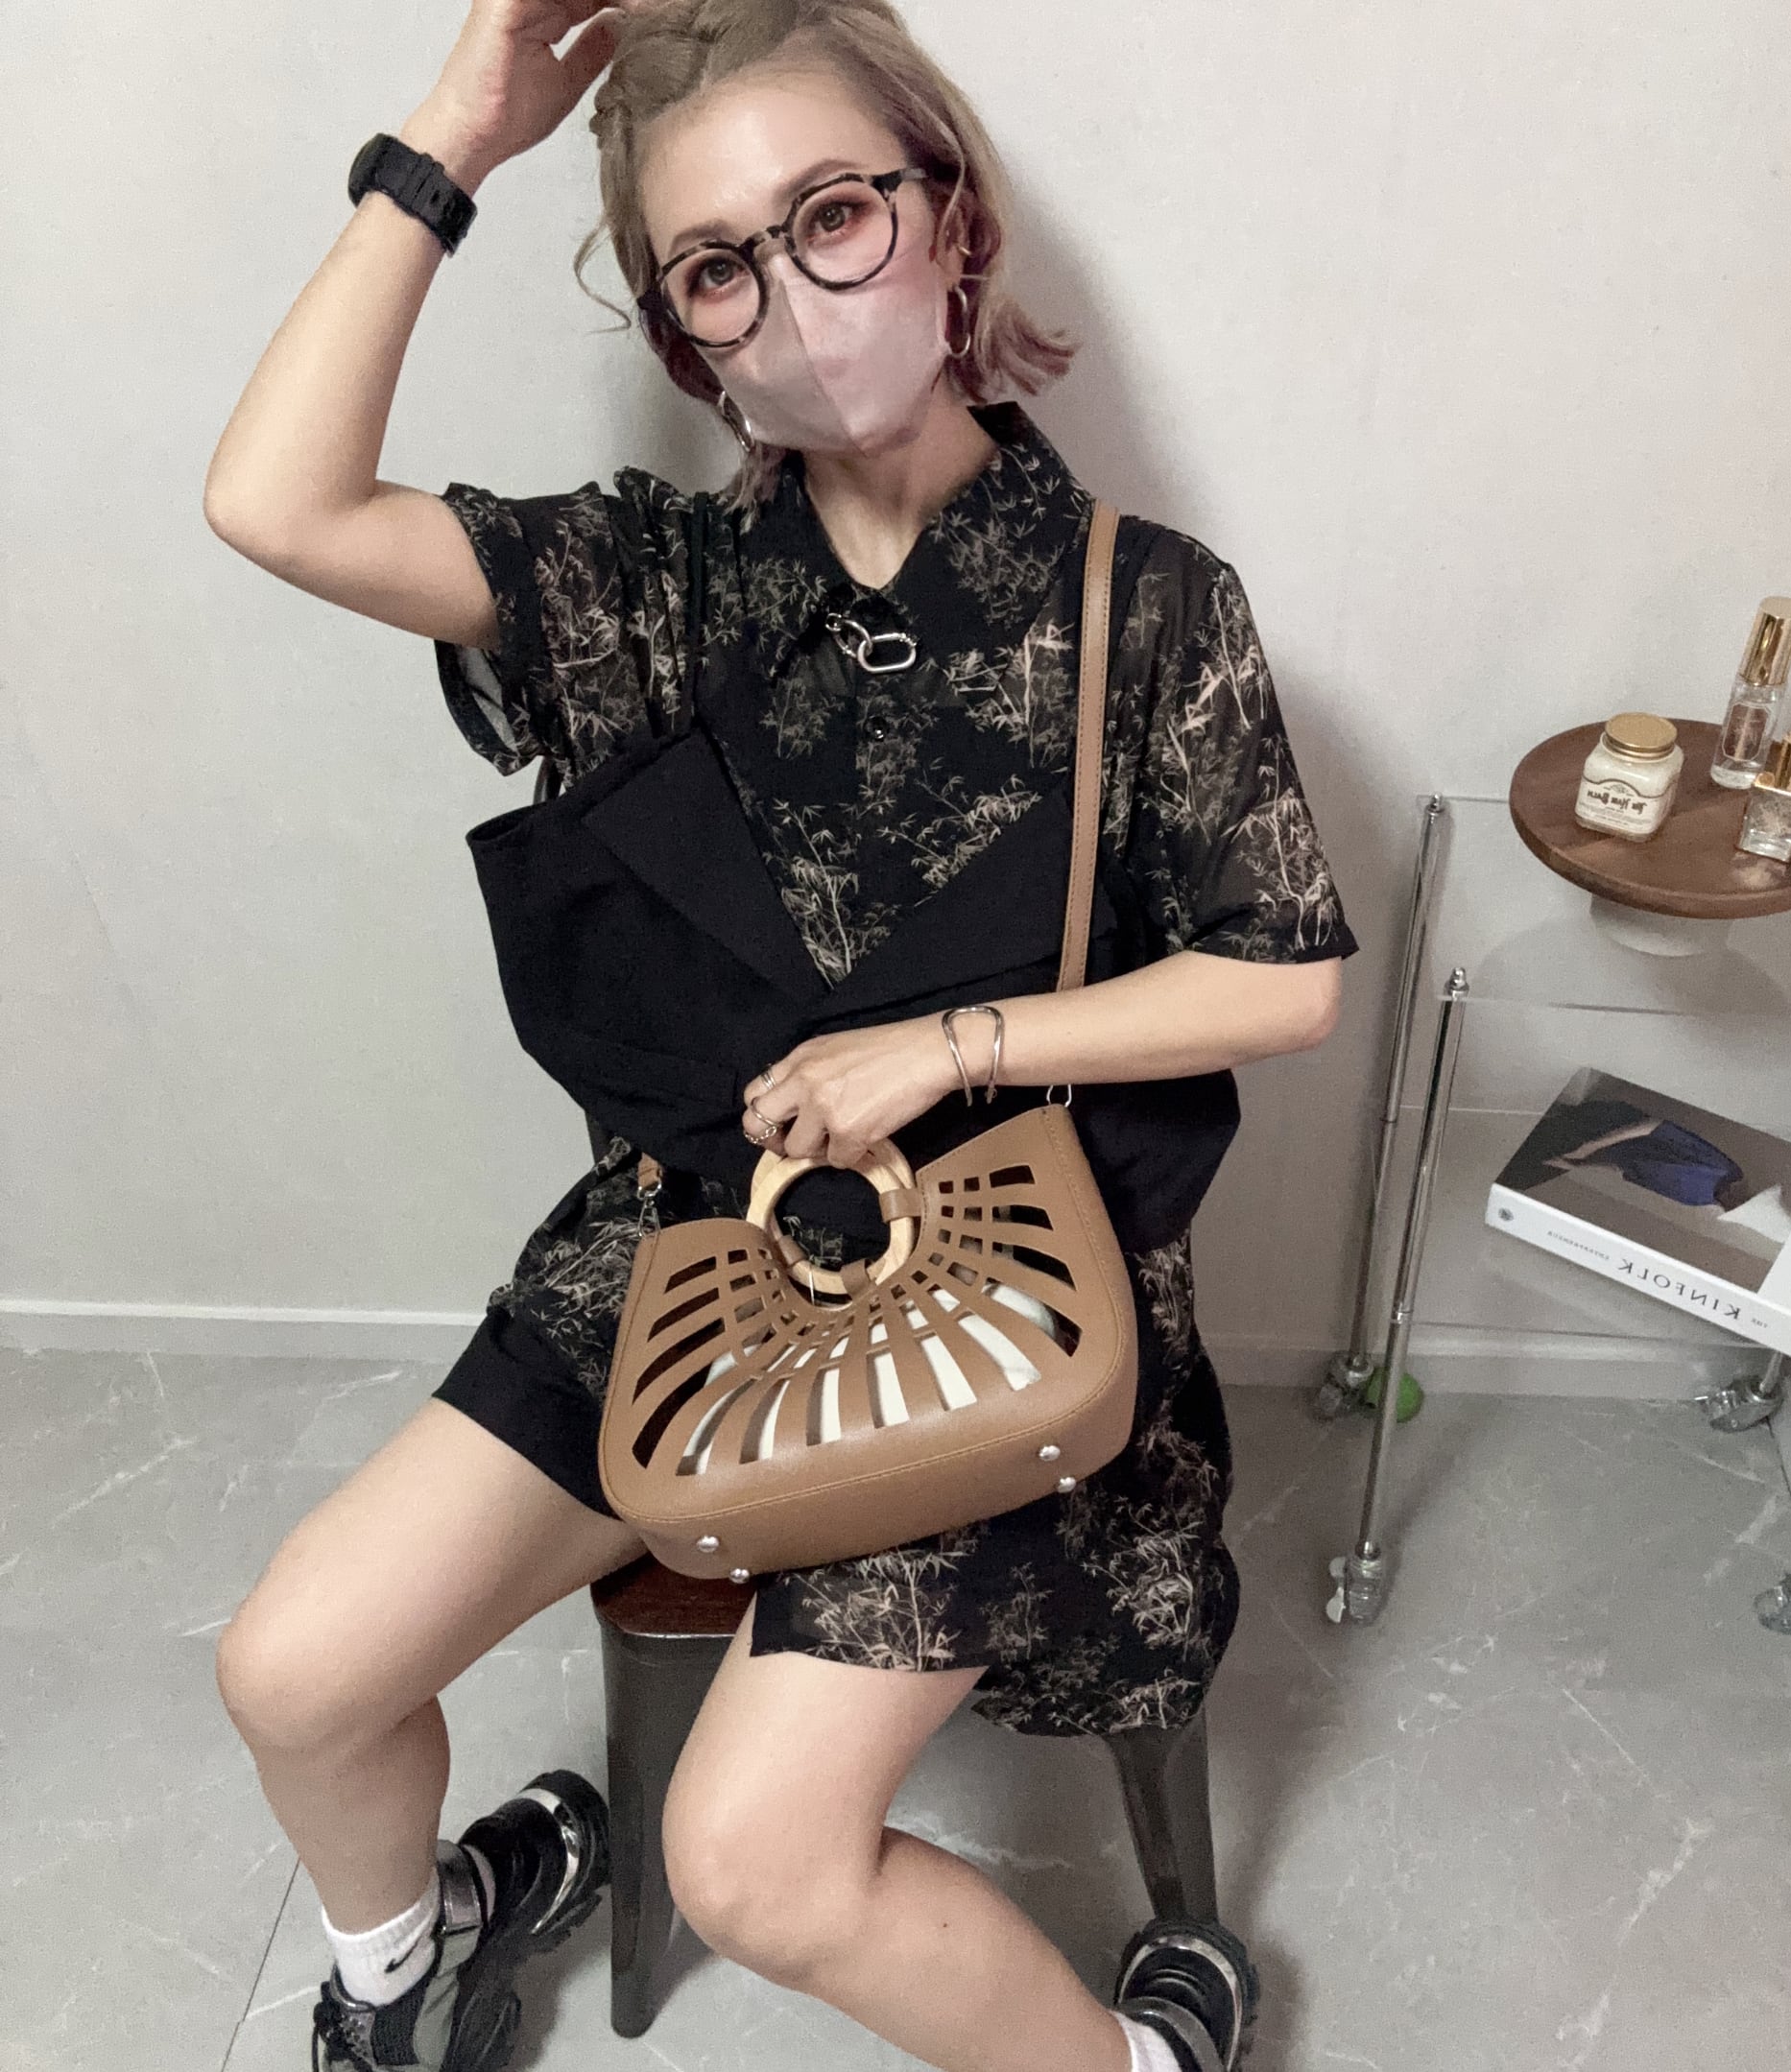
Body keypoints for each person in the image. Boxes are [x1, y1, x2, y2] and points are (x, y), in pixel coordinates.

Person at [202, 4, 1357, 2069]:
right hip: (690, 1253)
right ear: (689, 342)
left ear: (952, 224)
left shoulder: (1145, 605)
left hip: (1000, 1276)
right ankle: (412, 1959)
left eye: (833, 215)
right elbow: (276, 504)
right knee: (294, 1668)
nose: (797, 299)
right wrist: (458, 131)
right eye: (719, 267)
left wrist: (955, 1045)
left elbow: (1284, 975)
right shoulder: (647, 585)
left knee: (755, 1865)